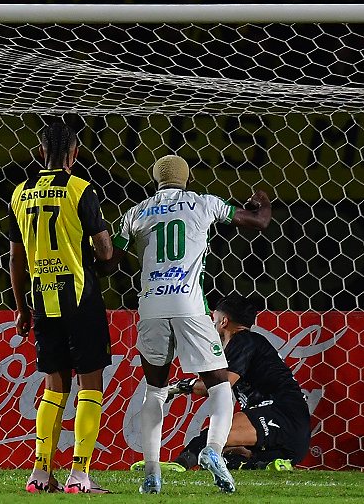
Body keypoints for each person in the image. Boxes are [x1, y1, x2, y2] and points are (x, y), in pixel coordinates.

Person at [102, 154, 271, 494]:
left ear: (156, 181)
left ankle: (152, 473)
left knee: (155, 390)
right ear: (188, 179)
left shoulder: (135, 213)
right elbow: (258, 222)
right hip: (189, 306)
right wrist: (263, 203)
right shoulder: (203, 203)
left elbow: (107, 264)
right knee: (220, 386)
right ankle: (213, 449)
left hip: (151, 308)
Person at [8, 122, 115, 494]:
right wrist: (104, 252)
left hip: (41, 297)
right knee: (90, 384)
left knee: (54, 387)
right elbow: (105, 250)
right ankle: (79, 475)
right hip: (79, 295)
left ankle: (40, 473)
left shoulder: (20, 193)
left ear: (40, 152)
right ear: (75, 153)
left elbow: (16, 258)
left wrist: (21, 308)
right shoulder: (81, 189)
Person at [168, 294, 311, 471]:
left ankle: (177, 467)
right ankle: (270, 464)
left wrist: (181, 386)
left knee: (212, 437)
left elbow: (219, 386)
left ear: (224, 321)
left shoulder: (243, 340)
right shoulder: (248, 343)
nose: (212, 324)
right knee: (223, 459)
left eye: (214, 319)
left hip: (280, 414)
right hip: (293, 436)